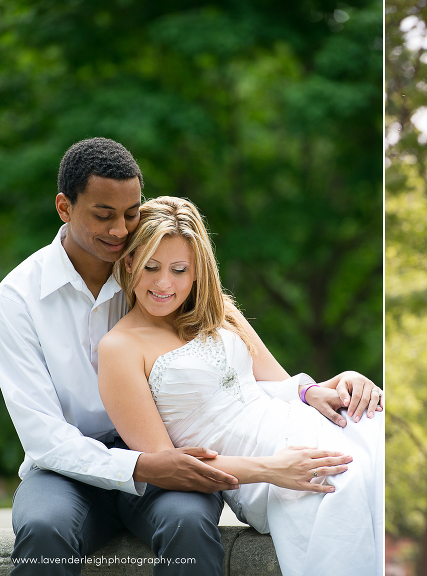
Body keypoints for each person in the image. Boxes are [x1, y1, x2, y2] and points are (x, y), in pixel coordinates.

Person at [0, 137, 380, 575]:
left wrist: (311, 390)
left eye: (130, 214)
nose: (120, 231)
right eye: (103, 216)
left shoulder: (153, 268)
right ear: (64, 207)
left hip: (170, 450)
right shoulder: (18, 298)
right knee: (45, 530)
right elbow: (45, 437)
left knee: (188, 521)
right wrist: (143, 465)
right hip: (67, 467)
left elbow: (235, 362)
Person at [97, 196, 384, 576]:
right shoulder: (119, 348)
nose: (164, 283)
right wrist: (272, 469)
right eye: (151, 267)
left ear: (198, 269)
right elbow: (169, 467)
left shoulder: (220, 311)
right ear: (129, 261)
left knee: (379, 444)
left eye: (180, 269)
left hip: (297, 425)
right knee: (345, 483)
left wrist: (322, 389)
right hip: (261, 474)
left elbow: (280, 383)